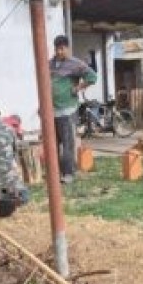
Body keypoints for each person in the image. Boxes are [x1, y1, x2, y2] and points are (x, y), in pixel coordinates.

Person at [50, 35, 97, 184]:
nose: (59, 52)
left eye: (62, 49)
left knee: (67, 144)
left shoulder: (75, 64)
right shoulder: (50, 64)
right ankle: (55, 173)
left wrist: (77, 88)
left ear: (67, 48)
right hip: (51, 111)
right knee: (53, 145)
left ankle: (68, 174)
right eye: (57, 49)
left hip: (67, 111)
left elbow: (92, 76)